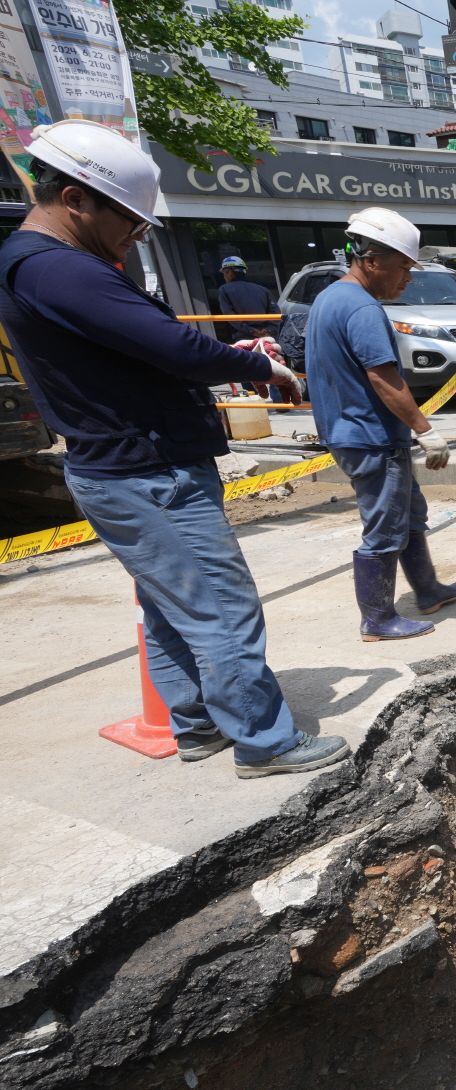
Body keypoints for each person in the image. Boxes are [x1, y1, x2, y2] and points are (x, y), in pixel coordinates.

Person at [0, 120, 344, 778]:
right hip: (148, 471)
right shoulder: (59, 269)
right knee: (221, 605)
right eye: (129, 219)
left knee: (169, 606)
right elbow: (177, 349)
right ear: (76, 200)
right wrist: (261, 366)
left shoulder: (34, 264)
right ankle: (265, 742)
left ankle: (195, 724)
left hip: (118, 468)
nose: (138, 234)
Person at [306, 207, 456, 645]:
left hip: (359, 432)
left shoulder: (330, 298)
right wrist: (425, 430)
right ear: (371, 260)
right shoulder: (361, 309)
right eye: (403, 267)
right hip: (370, 437)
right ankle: (376, 618)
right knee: (384, 527)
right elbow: (383, 377)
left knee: (409, 515)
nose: (408, 278)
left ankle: (428, 590)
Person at [216, 254, 277, 344]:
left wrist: (251, 330)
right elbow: (275, 312)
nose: (224, 276)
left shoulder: (224, 289)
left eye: (225, 273)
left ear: (230, 273)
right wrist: (269, 330)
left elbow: (228, 313)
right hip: (267, 336)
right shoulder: (262, 289)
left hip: (243, 337)